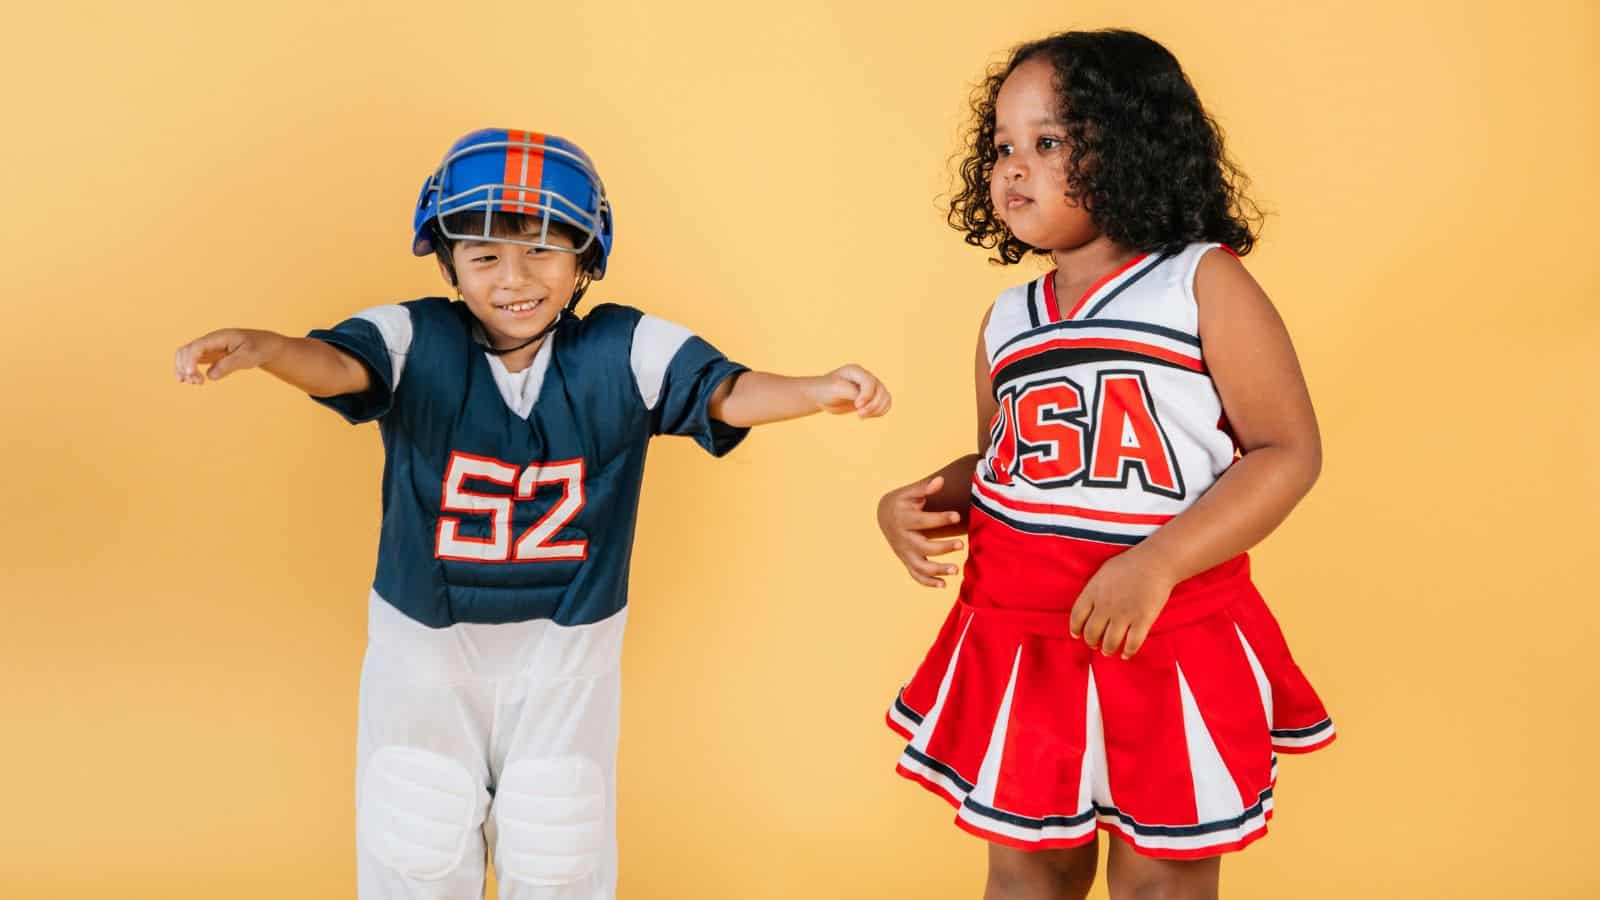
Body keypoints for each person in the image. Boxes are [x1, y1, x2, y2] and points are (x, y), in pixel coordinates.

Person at [173, 127, 891, 900]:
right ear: (447, 262)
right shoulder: (415, 334)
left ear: (586, 257)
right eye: (484, 256)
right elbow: (339, 365)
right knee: (415, 839)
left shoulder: (625, 345)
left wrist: (815, 390)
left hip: (567, 653)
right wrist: (267, 347)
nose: (513, 278)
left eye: (542, 250)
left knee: (558, 854)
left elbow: (722, 391)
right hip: (425, 649)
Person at [876, 31, 1334, 900]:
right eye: (1002, 147)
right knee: (1024, 879)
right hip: (1025, 642)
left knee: (1161, 881)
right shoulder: (1009, 318)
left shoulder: (1200, 283)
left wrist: (1156, 563)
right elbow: (1010, 461)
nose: (1014, 169)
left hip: (1161, 639)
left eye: (1047, 143)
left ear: (1130, 146)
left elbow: (1287, 450)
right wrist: (928, 498)